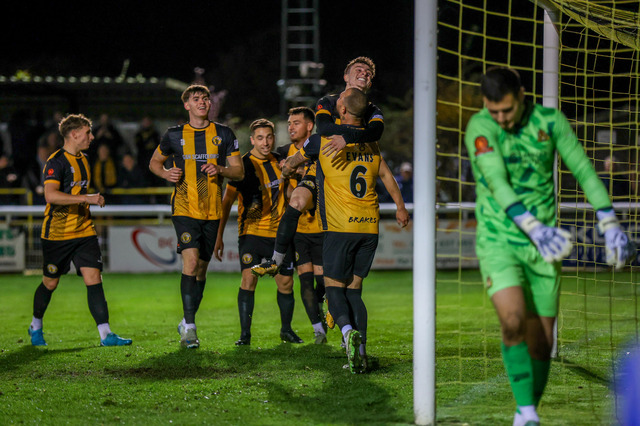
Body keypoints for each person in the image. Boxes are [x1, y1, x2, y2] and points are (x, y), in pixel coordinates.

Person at [464, 67, 636, 425]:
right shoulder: (480, 127)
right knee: (511, 320)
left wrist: (609, 221)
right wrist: (532, 227)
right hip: (501, 240)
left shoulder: (550, 121)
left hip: (544, 250)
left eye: (507, 111)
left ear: (522, 96)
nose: (501, 119)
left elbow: (584, 170)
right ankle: (526, 414)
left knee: (542, 341)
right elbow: (495, 180)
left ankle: (528, 408)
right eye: (493, 111)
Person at [281, 88, 409, 373]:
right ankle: (361, 354)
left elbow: (293, 162)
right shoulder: (372, 143)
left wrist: (287, 166)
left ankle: (348, 332)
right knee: (355, 291)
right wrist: (400, 207)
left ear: (343, 111)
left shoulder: (324, 140)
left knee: (334, 290)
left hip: (340, 228)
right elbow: (387, 175)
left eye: (338, 102)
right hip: (369, 228)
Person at [252, 56, 384, 278]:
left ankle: (335, 295)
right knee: (296, 201)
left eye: (368, 72)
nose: (364, 73)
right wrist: (353, 136)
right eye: (358, 69)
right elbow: (323, 128)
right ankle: (276, 260)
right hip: (322, 164)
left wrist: (345, 139)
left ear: (370, 83)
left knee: (338, 250)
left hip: (351, 172)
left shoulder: (372, 109)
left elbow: (376, 133)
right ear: (346, 76)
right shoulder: (328, 101)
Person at [149, 84, 244, 349]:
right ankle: (190, 328)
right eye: (196, 98)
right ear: (187, 105)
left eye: (205, 98)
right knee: (190, 265)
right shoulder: (173, 135)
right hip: (184, 209)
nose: (202, 101)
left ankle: (186, 320)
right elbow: (154, 163)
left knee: (201, 271)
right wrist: (166, 173)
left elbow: (239, 172)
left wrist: (221, 169)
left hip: (212, 212)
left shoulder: (224, 133)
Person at [28, 113, 132, 347]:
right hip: (58, 235)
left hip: (84, 231)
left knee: (94, 278)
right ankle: (35, 325)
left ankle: (106, 334)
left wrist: (88, 200)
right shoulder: (56, 162)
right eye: (87, 133)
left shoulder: (84, 159)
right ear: (74, 134)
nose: (92, 137)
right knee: (50, 282)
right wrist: (88, 198)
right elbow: (50, 195)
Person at [214, 119, 302, 346]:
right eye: (260, 138)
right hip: (251, 234)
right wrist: (219, 236)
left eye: (269, 137)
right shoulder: (242, 166)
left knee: (286, 284)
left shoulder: (282, 163)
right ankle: (245, 334)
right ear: (252, 140)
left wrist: (294, 175)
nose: (265, 142)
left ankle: (286, 330)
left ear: (274, 138)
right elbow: (226, 203)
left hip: (279, 236)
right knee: (248, 279)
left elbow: (292, 194)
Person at [276, 106, 327, 344]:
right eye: (289, 123)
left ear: (309, 126)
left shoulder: (321, 148)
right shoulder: (282, 153)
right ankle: (318, 330)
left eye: (296, 122)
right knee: (304, 279)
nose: (291, 127)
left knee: (323, 281)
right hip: (299, 231)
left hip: (322, 227)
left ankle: (324, 309)